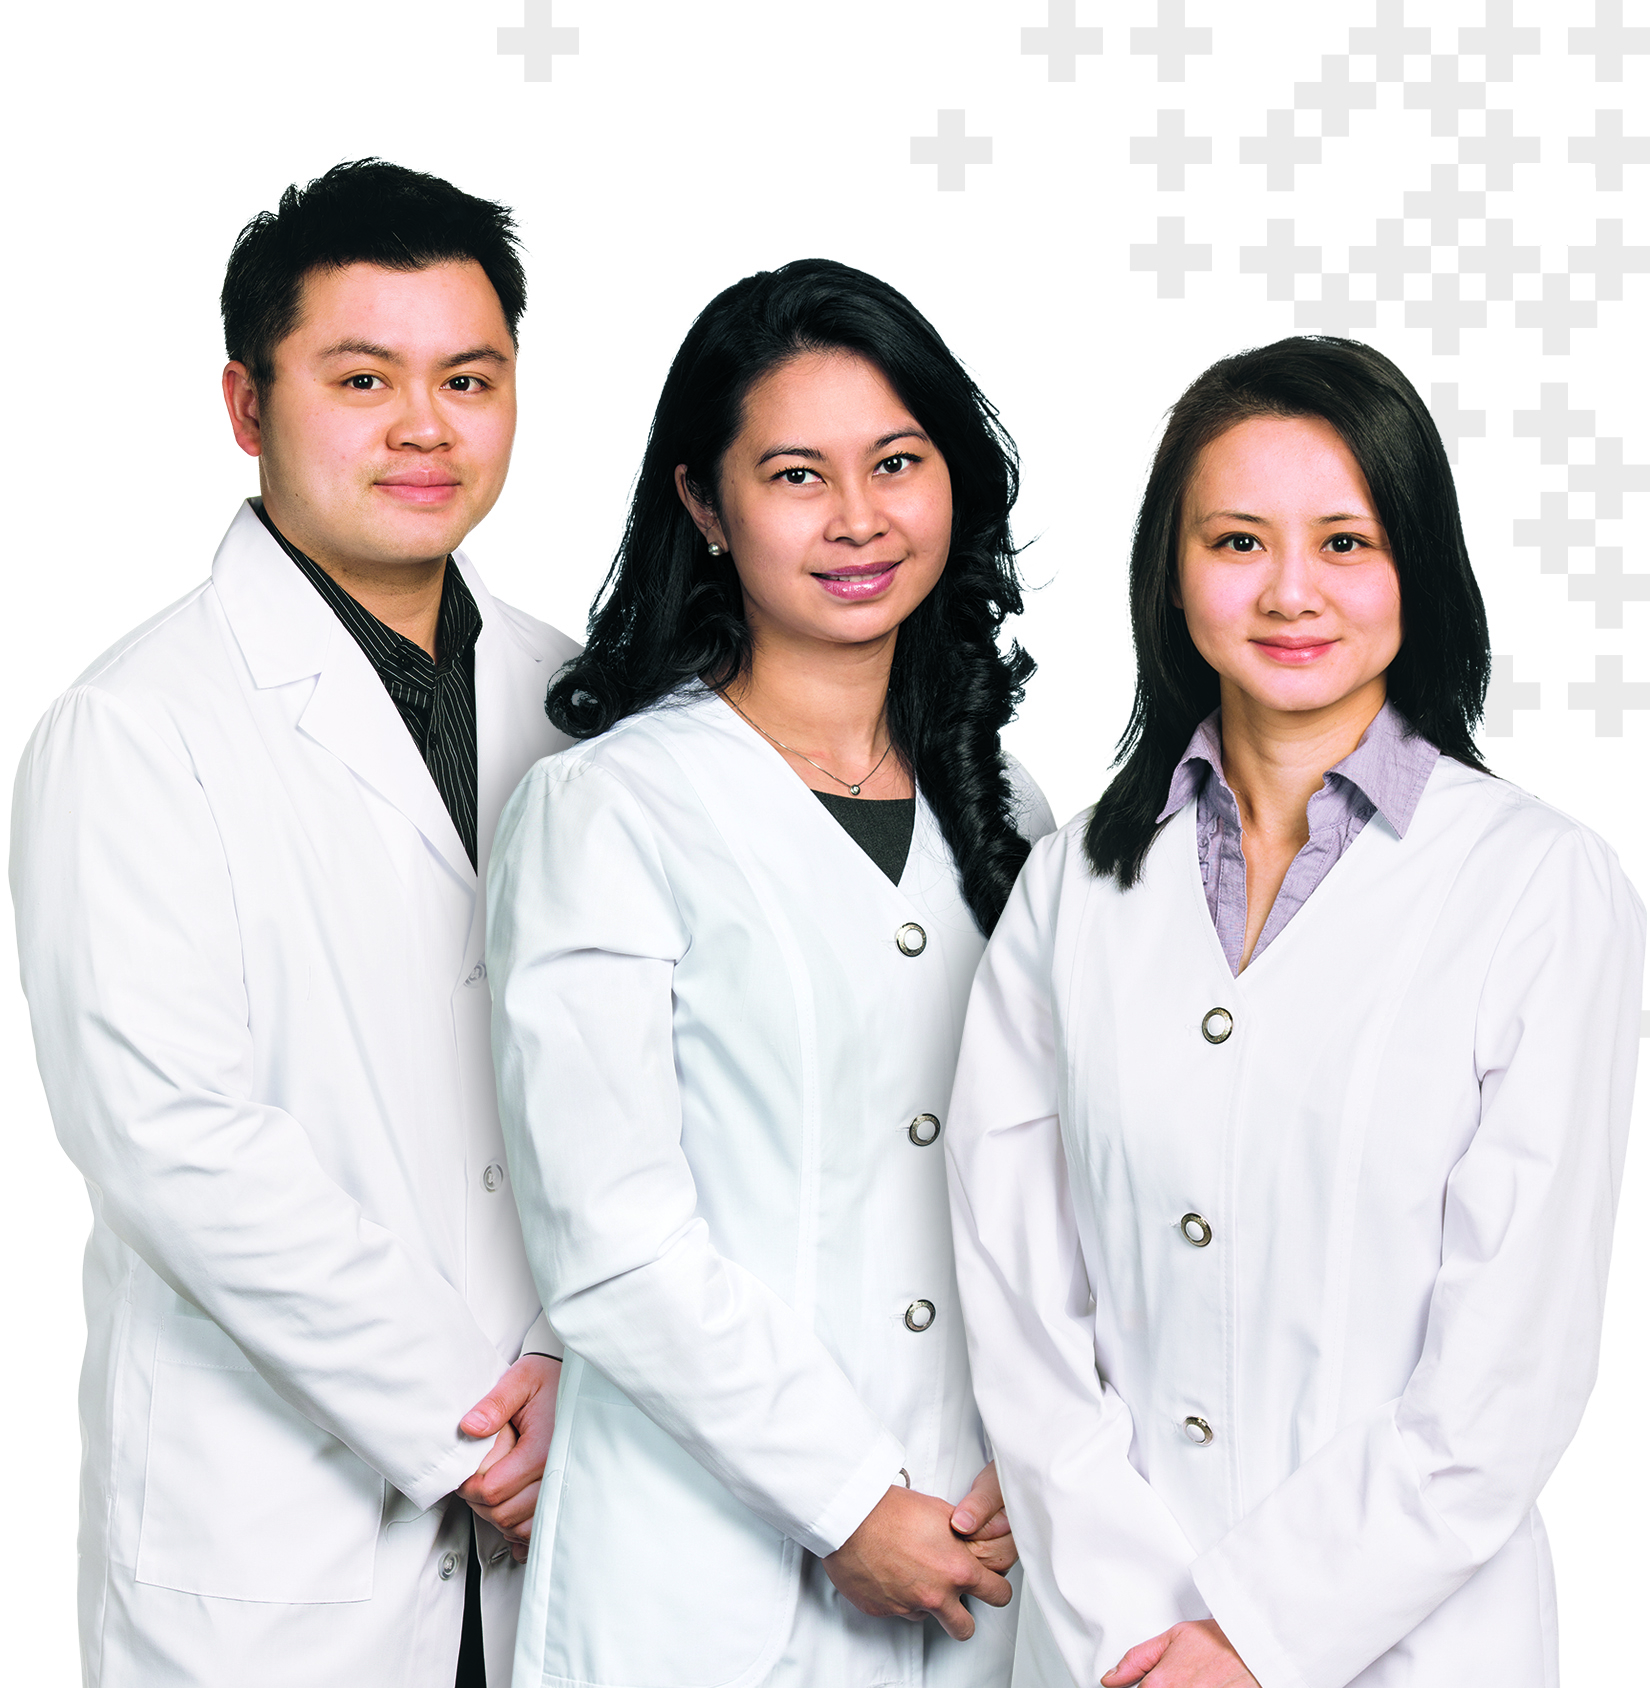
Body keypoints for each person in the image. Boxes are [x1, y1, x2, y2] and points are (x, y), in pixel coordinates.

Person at [943, 336, 1644, 1688]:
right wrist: (1139, 1629)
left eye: (1344, 542)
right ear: (1171, 571)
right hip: (1109, 1646)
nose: (1288, 591)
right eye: (1236, 541)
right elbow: (1018, 1301)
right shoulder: (1073, 887)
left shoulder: (1541, 890)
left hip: (1409, 1646)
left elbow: (1506, 1374)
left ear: (1416, 567)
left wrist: (1255, 1639)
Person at [10, 160, 580, 1687]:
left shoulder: (583, 698)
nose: (425, 426)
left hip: (574, 1484)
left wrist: (566, 1370)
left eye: (469, 378)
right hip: (283, 1542)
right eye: (362, 378)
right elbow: (171, 1137)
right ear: (246, 404)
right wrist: (476, 1421)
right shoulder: (137, 727)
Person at [486, 258, 1054, 1687]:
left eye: (897, 463)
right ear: (704, 504)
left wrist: (1043, 1448)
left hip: (977, 1545)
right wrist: (849, 1498)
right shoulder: (608, 809)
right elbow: (610, 1239)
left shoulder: (1010, 811)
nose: (857, 518)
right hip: (702, 1579)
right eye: (796, 474)